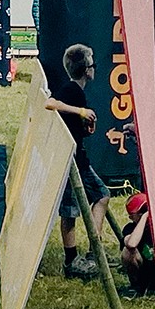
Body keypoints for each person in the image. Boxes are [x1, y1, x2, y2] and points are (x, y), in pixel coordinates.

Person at [46, 44, 107, 278]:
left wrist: (84, 126)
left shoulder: (78, 92)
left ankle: (94, 252)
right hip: (70, 161)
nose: (95, 69)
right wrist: (80, 111)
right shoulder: (71, 89)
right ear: (86, 69)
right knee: (70, 212)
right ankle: (71, 261)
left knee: (102, 195)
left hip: (79, 158)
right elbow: (51, 103)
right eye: (93, 65)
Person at [117, 191, 155, 298]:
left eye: (147, 209)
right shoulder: (129, 229)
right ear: (132, 217)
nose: (147, 213)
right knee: (127, 252)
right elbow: (131, 244)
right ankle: (135, 287)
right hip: (141, 273)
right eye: (142, 211)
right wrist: (144, 218)